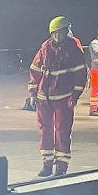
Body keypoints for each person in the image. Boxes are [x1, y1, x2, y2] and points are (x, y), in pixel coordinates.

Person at [28, 16, 87, 177]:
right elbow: (35, 70)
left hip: (63, 97)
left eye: (60, 33)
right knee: (45, 131)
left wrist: (75, 95)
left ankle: (61, 166)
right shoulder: (45, 48)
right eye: (54, 33)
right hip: (44, 97)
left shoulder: (73, 50)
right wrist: (33, 93)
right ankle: (47, 164)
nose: (57, 37)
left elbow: (80, 73)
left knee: (62, 131)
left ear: (66, 32)